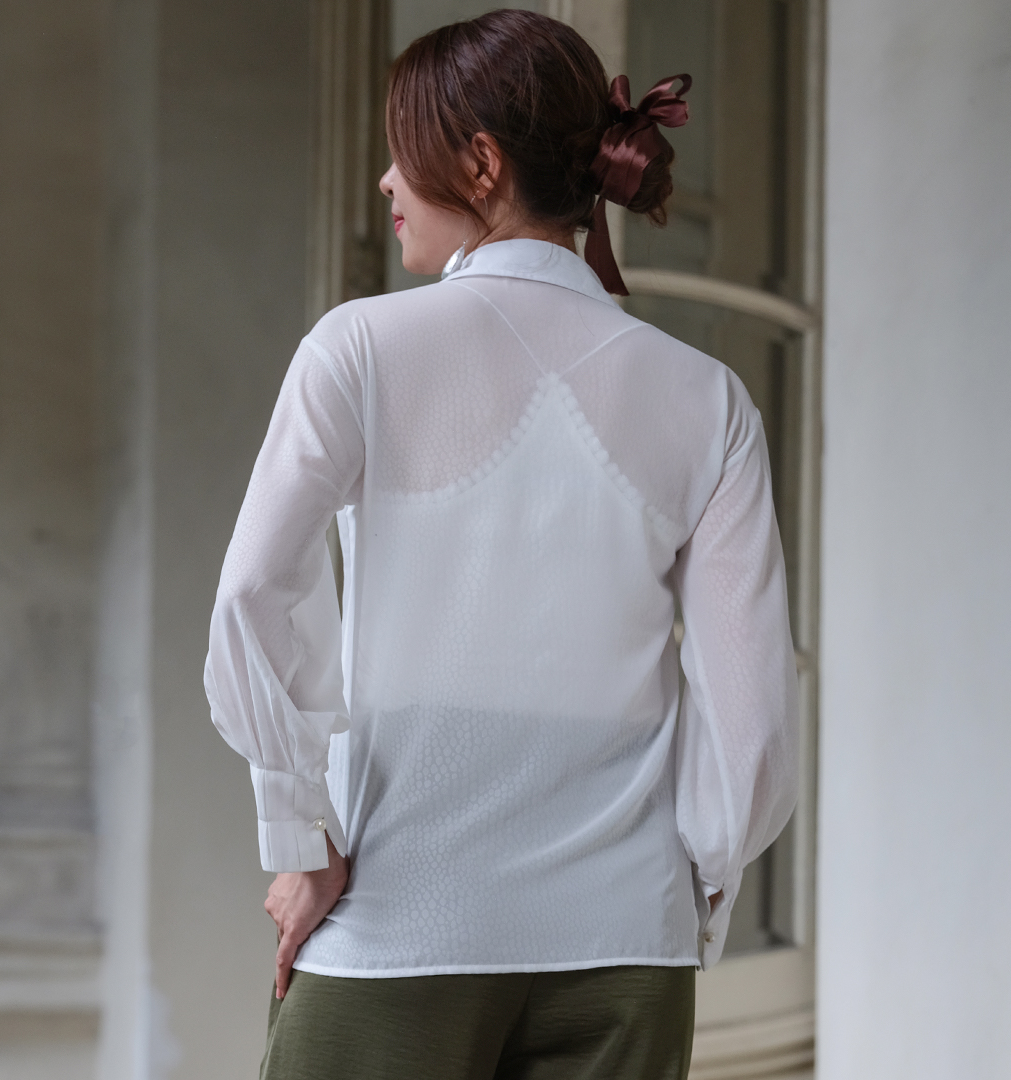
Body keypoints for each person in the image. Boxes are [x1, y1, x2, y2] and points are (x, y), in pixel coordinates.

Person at [204, 10, 799, 1079]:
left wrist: (302, 838)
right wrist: (690, 890)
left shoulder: (360, 348)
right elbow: (751, 719)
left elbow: (254, 595)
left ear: (481, 165)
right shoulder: (708, 399)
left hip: (399, 928)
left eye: (405, 152)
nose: (387, 180)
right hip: (626, 950)